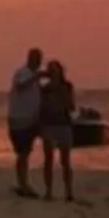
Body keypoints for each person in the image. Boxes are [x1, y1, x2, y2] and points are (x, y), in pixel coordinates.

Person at [36, 55, 78, 202]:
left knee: (65, 161)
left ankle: (69, 192)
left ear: (60, 71)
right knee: (48, 160)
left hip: (63, 125)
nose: (53, 73)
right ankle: (49, 192)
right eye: (50, 70)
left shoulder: (67, 87)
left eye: (55, 70)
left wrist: (63, 97)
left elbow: (71, 106)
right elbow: (40, 107)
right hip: (48, 125)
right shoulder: (44, 89)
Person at [6, 47, 45, 198]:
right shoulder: (23, 73)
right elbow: (20, 85)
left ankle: (23, 182)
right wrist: (36, 77)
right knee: (22, 153)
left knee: (25, 153)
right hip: (19, 120)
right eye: (35, 59)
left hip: (30, 120)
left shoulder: (33, 77)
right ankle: (23, 184)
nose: (38, 62)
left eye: (39, 59)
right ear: (29, 59)